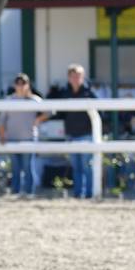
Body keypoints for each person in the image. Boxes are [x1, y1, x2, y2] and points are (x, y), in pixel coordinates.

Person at [53, 64, 98, 198]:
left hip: (86, 134)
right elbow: (59, 113)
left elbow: (99, 112)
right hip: (71, 134)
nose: (76, 78)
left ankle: (90, 193)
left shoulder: (89, 93)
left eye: (78, 76)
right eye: (73, 76)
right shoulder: (65, 94)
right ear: (69, 78)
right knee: (76, 167)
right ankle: (78, 193)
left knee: (86, 167)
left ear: (83, 77)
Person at [0, 73, 45, 195]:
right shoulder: (8, 100)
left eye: (23, 83)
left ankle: (29, 192)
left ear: (28, 85)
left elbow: (49, 111)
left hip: (29, 138)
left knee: (28, 167)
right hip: (12, 138)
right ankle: (15, 191)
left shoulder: (35, 100)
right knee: (15, 168)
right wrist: (2, 135)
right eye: (18, 83)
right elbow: (1, 120)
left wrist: (38, 120)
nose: (20, 86)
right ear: (14, 85)